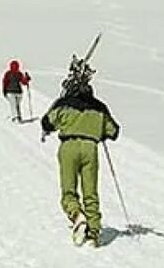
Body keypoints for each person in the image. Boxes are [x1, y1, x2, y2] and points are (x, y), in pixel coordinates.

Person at [40, 59, 120, 247]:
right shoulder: (99, 107)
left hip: (68, 146)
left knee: (69, 190)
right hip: (90, 148)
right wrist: (98, 130)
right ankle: (94, 233)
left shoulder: (64, 104)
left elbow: (47, 123)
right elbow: (113, 131)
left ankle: (77, 215)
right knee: (90, 192)